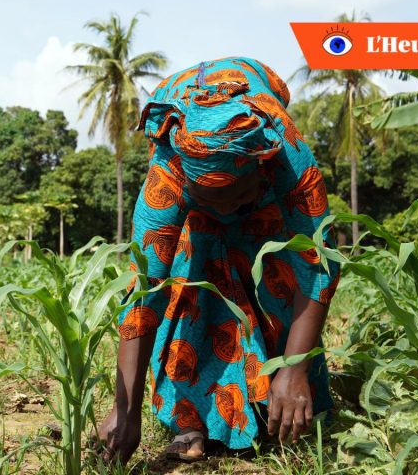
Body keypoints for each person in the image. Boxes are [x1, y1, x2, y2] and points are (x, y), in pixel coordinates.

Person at [97, 56, 340, 463]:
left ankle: (283, 394)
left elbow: (319, 264)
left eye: (238, 198)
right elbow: (143, 297)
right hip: (199, 212)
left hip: (267, 207)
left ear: (260, 170)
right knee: (191, 278)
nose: (228, 212)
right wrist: (125, 410)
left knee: (279, 274)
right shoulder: (168, 175)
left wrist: (295, 367)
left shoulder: (286, 156)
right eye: (214, 201)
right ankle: (190, 416)